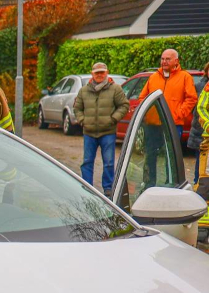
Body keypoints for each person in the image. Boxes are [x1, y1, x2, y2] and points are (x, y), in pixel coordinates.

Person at [138, 50, 198, 186]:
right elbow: (143, 97)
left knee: (170, 157)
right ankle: (149, 184)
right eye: (162, 59)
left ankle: (171, 184)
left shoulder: (185, 77)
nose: (164, 62)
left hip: (173, 125)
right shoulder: (153, 77)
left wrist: (178, 114)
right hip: (152, 124)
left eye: (168, 59)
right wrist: (148, 113)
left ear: (176, 61)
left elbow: (191, 98)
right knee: (150, 155)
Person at [73, 62, 128, 194]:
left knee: (109, 162)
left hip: (108, 132)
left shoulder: (115, 89)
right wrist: (83, 121)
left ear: (106, 73)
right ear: (92, 74)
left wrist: (113, 119)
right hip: (89, 132)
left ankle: (108, 189)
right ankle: (87, 188)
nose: (99, 75)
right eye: (97, 73)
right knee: (87, 162)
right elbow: (77, 108)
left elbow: (124, 105)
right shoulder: (84, 90)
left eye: (102, 72)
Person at [194, 62, 209, 233]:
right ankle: (203, 226)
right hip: (208, 144)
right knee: (205, 184)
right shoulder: (207, 88)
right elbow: (201, 108)